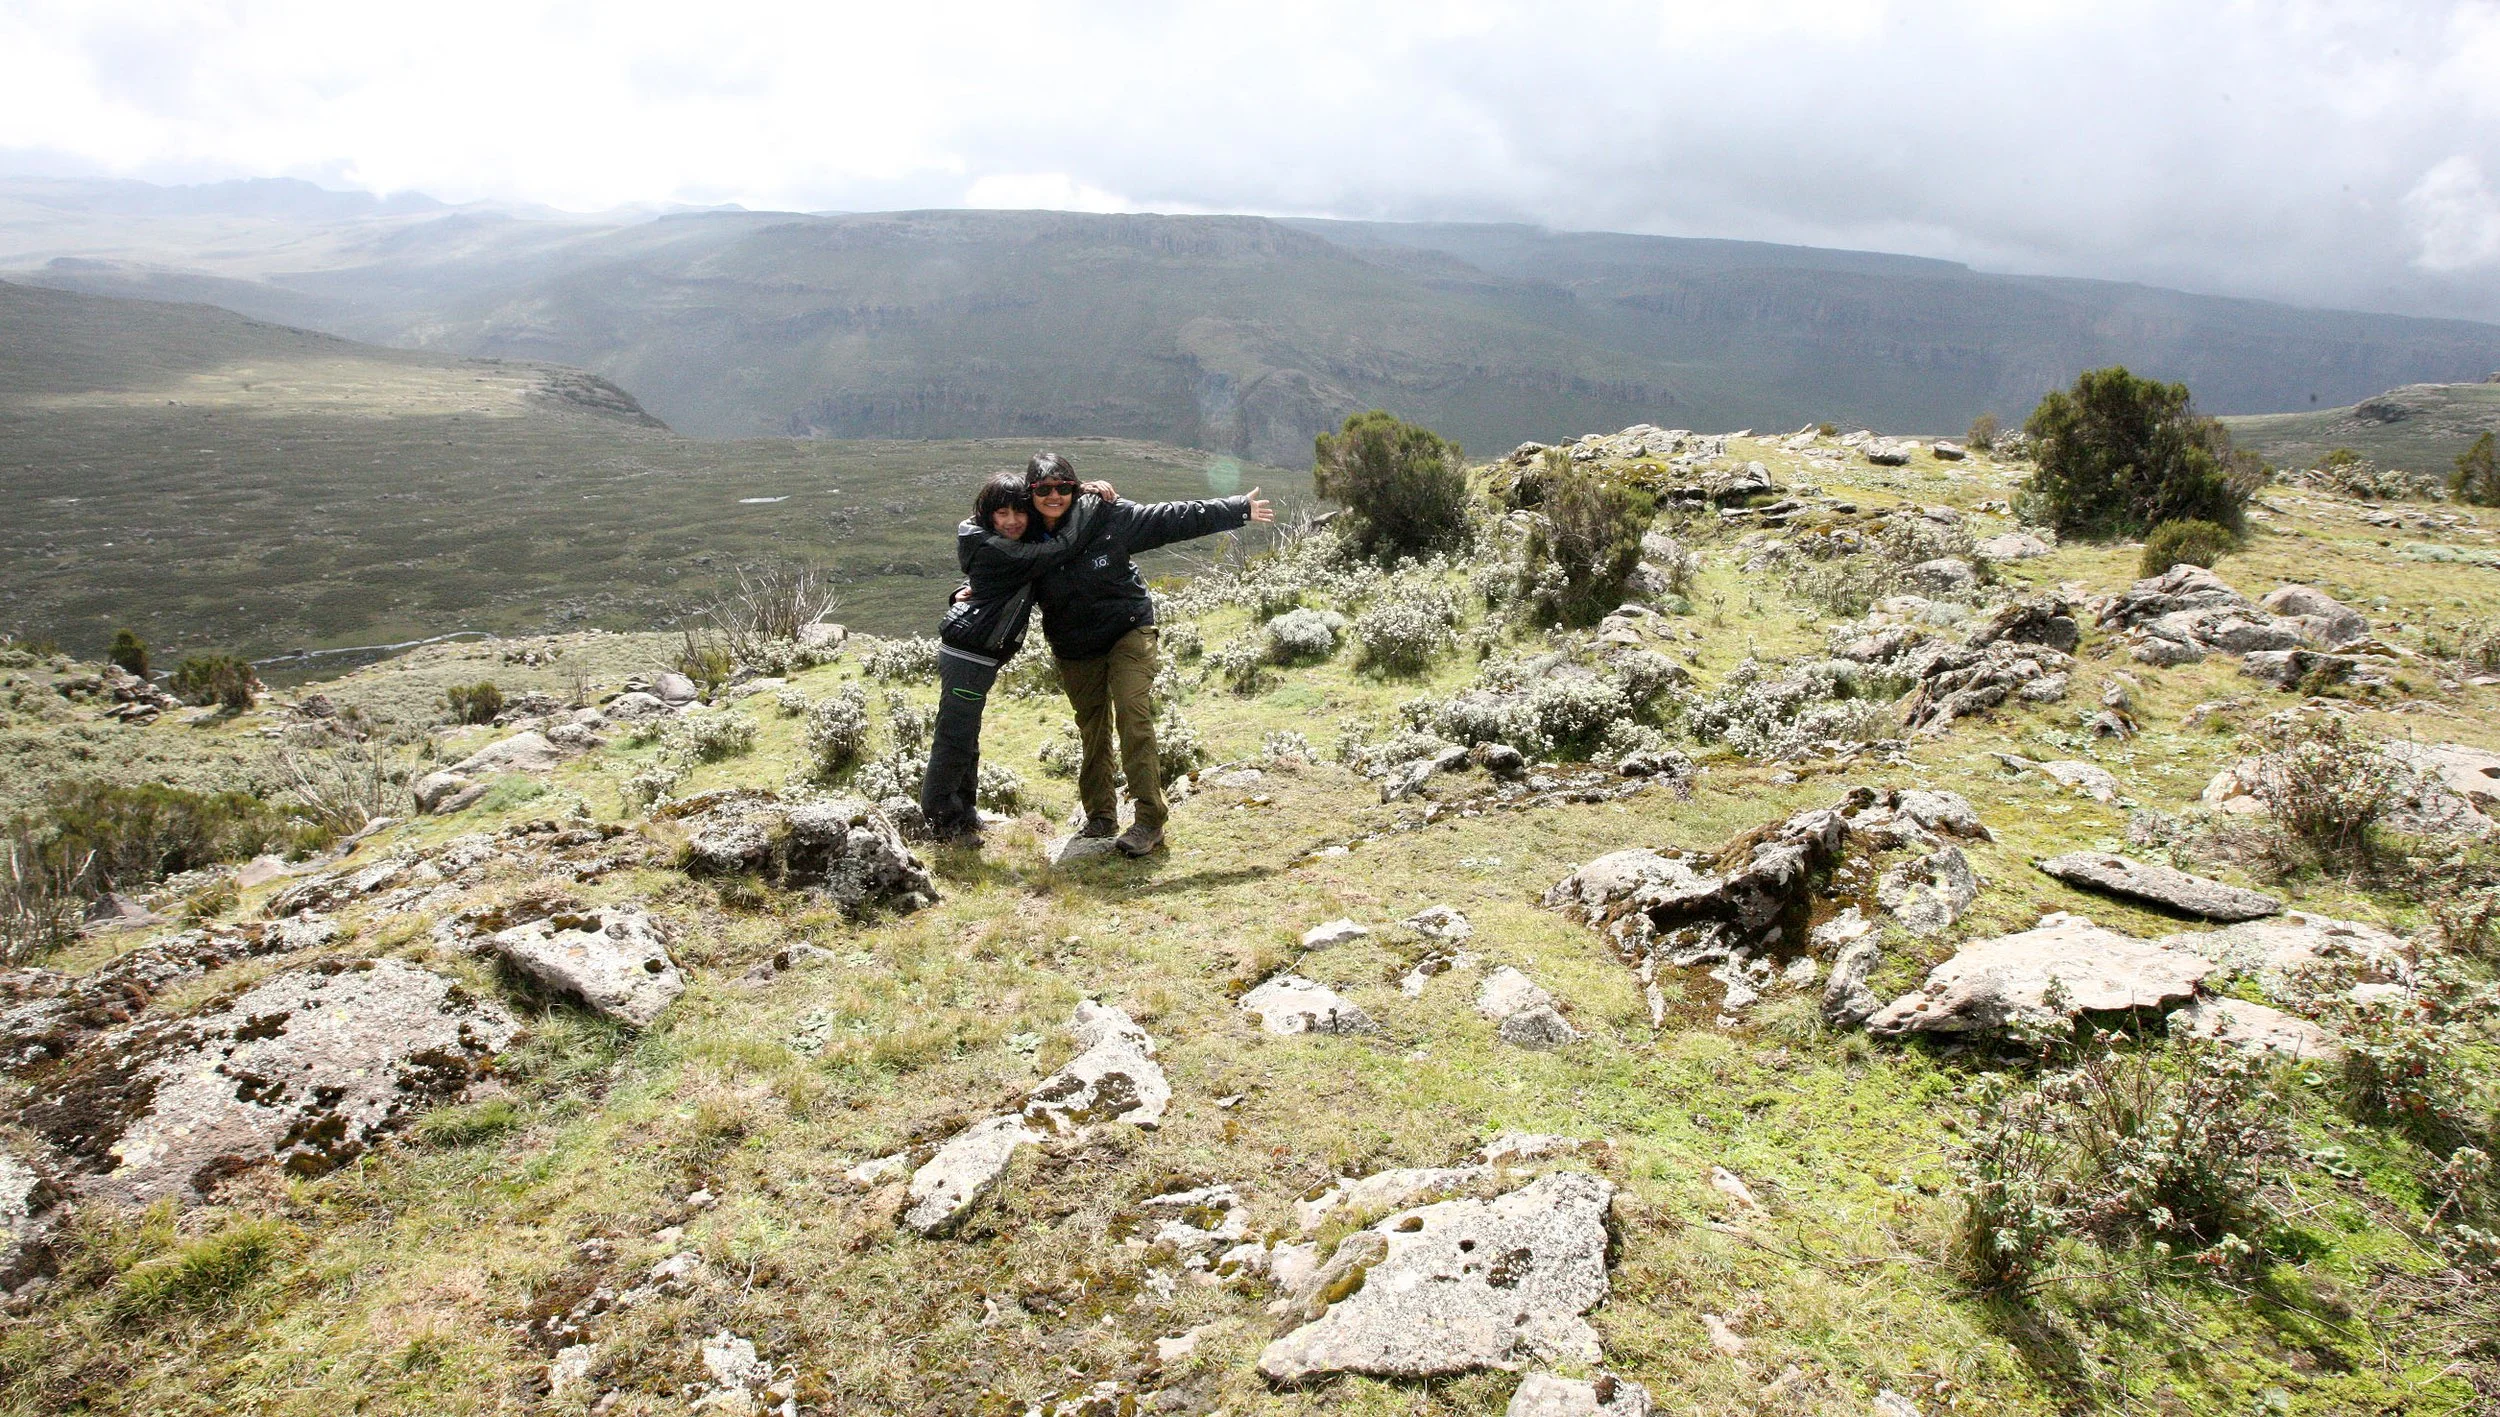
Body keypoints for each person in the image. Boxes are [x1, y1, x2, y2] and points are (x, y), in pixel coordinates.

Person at [1023, 451, 1273, 856]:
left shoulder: (1106, 516)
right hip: (1073, 645)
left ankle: (1149, 820)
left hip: (1128, 629)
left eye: (1063, 487)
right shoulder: (1024, 533)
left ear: (1074, 486)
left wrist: (1236, 508)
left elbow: (1170, 518)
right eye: (1044, 489)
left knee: (1131, 713)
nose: (1054, 496)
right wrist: (965, 596)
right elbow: (987, 544)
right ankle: (1101, 815)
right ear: (1030, 492)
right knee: (1092, 727)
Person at [917, 471, 1110, 847]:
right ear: (987, 515)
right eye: (1000, 513)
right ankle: (942, 822)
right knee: (954, 738)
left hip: (977, 654)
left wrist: (1074, 489)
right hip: (968, 657)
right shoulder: (999, 548)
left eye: (1018, 512)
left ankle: (964, 814)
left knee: (966, 736)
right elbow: (1058, 549)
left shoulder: (998, 542)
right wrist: (1085, 502)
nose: (1010, 521)